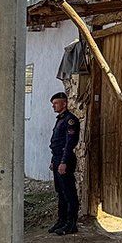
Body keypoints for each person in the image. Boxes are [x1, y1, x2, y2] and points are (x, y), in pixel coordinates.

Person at [49, 92, 80, 235]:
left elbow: (69, 143)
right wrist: (53, 161)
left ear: (64, 103)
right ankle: (61, 220)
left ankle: (71, 223)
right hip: (57, 158)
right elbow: (56, 143)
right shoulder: (60, 120)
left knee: (68, 192)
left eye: (56, 103)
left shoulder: (70, 120)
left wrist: (63, 162)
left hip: (64, 158)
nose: (53, 106)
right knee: (60, 191)